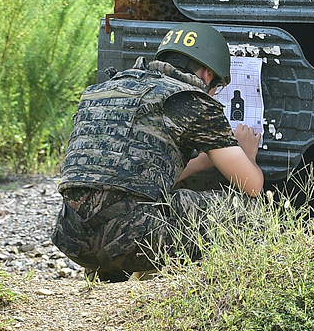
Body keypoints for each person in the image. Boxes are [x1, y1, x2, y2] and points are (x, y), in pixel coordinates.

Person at [51, 22, 263, 282]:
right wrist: (248, 154)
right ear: (207, 75)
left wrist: (200, 163)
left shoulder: (106, 89)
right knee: (251, 212)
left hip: (73, 238)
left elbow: (132, 171)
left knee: (119, 204)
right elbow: (251, 186)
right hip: (134, 238)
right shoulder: (193, 100)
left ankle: (105, 276)